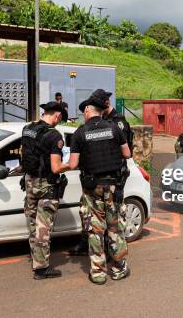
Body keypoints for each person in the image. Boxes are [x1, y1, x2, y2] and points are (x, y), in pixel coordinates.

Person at [69, 92, 132, 284]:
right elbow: (127, 154)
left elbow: (72, 164)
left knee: (95, 230)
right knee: (115, 228)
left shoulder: (80, 133)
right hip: (113, 186)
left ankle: (98, 273)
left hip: (92, 187)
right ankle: (119, 268)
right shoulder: (114, 128)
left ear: (88, 110)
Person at [19, 101, 70, 279]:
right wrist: (70, 165)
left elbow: (23, 153)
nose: (59, 122)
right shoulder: (53, 135)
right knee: (43, 228)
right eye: (60, 118)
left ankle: (36, 259)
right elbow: (56, 168)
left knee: (33, 225)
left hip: (29, 181)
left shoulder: (27, 129)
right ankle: (41, 268)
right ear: (56, 115)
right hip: (46, 185)